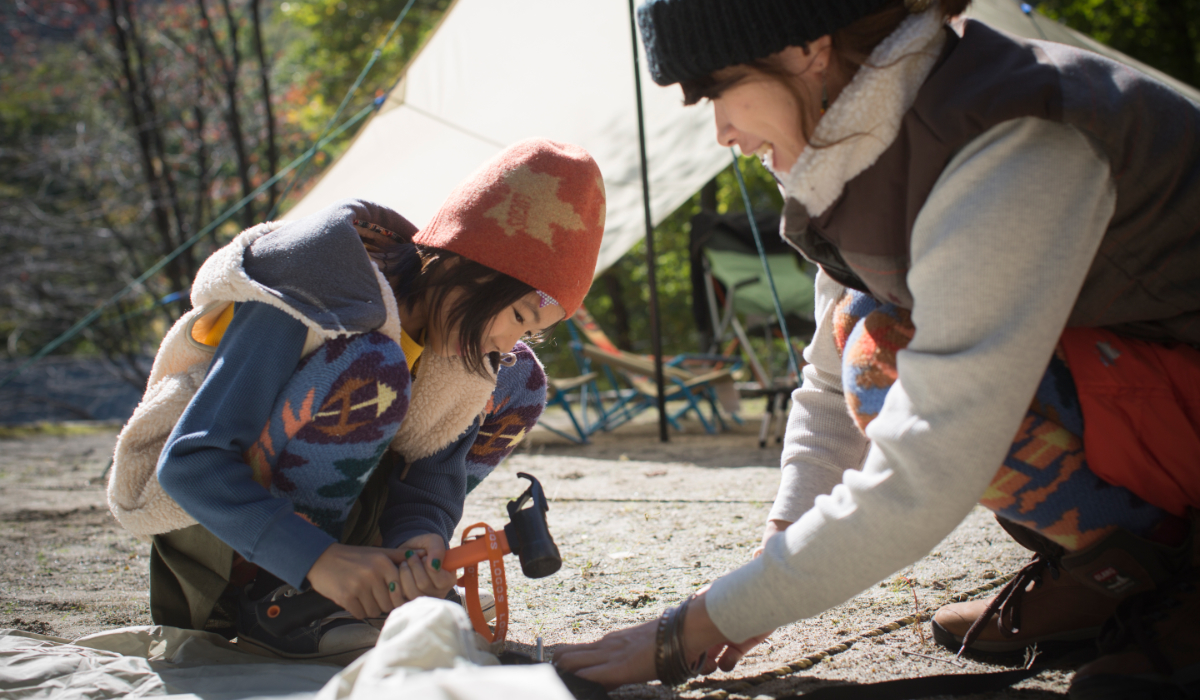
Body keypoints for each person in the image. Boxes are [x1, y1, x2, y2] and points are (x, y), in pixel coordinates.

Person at [554, 1, 1200, 696]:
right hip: (1156, 389)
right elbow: (830, 384)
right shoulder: (867, 148)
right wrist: (776, 553)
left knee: (883, 356)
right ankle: (1111, 577)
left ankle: (1174, 583)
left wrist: (688, 631)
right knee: (867, 331)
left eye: (716, 88)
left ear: (806, 48)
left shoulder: (1015, 138)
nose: (721, 133)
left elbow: (930, 464)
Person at [107, 138, 606, 663]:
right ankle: (281, 597)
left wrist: (423, 542)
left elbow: (433, 476)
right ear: (474, 269)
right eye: (520, 317)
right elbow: (189, 465)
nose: (507, 341)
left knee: (518, 378)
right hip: (230, 530)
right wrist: (316, 560)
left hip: (343, 536)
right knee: (375, 367)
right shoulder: (313, 285)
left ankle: (362, 586)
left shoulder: (454, 342)